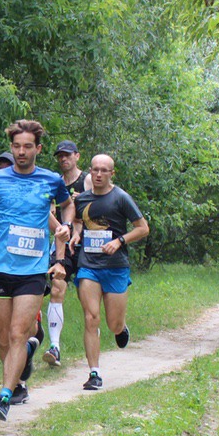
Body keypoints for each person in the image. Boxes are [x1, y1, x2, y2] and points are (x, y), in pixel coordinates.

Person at [0, 119, 73, 420]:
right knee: (3, 339)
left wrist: (65, 226)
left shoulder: (51, 180)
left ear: (38, 149)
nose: (22, 152)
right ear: (11, 147)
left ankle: (5, 396)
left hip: (33, 271)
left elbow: (67, 205)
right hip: (1, 269)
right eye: (17, 146)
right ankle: (19, 372)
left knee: (18, 333)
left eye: (28, 147)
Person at [69, 154, 149, 390]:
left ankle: (121, 328)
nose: (98, 174)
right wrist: (76, 235)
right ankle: (94, 373)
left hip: (115, 266)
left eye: (104, 170)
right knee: (91, 318)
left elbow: (143, 228)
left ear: (112, 174)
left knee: (113, 324)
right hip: (89, 265)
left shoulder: (121, 197)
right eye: (95, 169)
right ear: (90, 171)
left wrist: (119, 241)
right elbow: (77, 221)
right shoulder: (82, 198)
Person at [42, 140, 86, 367]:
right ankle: (55, 347)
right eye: (60, 156)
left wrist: (84, 201)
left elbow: (104, 206)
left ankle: (111, 327)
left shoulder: (88, 179)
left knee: (89, 295)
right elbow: (49, 213)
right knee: (57, 286)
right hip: (62, 243)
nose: (63, 159)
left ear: (77, 156)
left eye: (67, 155)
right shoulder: (56, 183)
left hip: (88, 244)